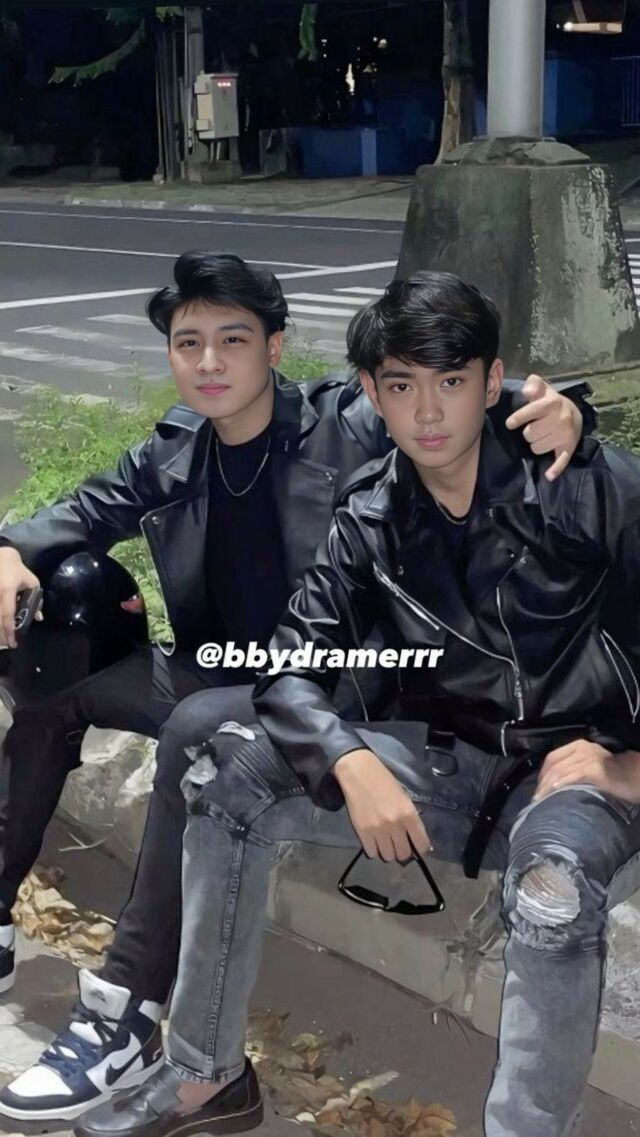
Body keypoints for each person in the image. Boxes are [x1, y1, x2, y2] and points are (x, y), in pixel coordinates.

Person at [0, 256, 588, 1123]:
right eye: (189, 343)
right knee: (57, 661)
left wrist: (566, 407)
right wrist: (7, 549)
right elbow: (77, 514)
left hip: (346, 687)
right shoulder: (176, 450)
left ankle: (125, 1012)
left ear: (274, 347)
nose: (209, 362)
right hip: (225, 667)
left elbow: (477, 398)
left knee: (198, 727)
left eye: (232, 340)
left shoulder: (347, 420)